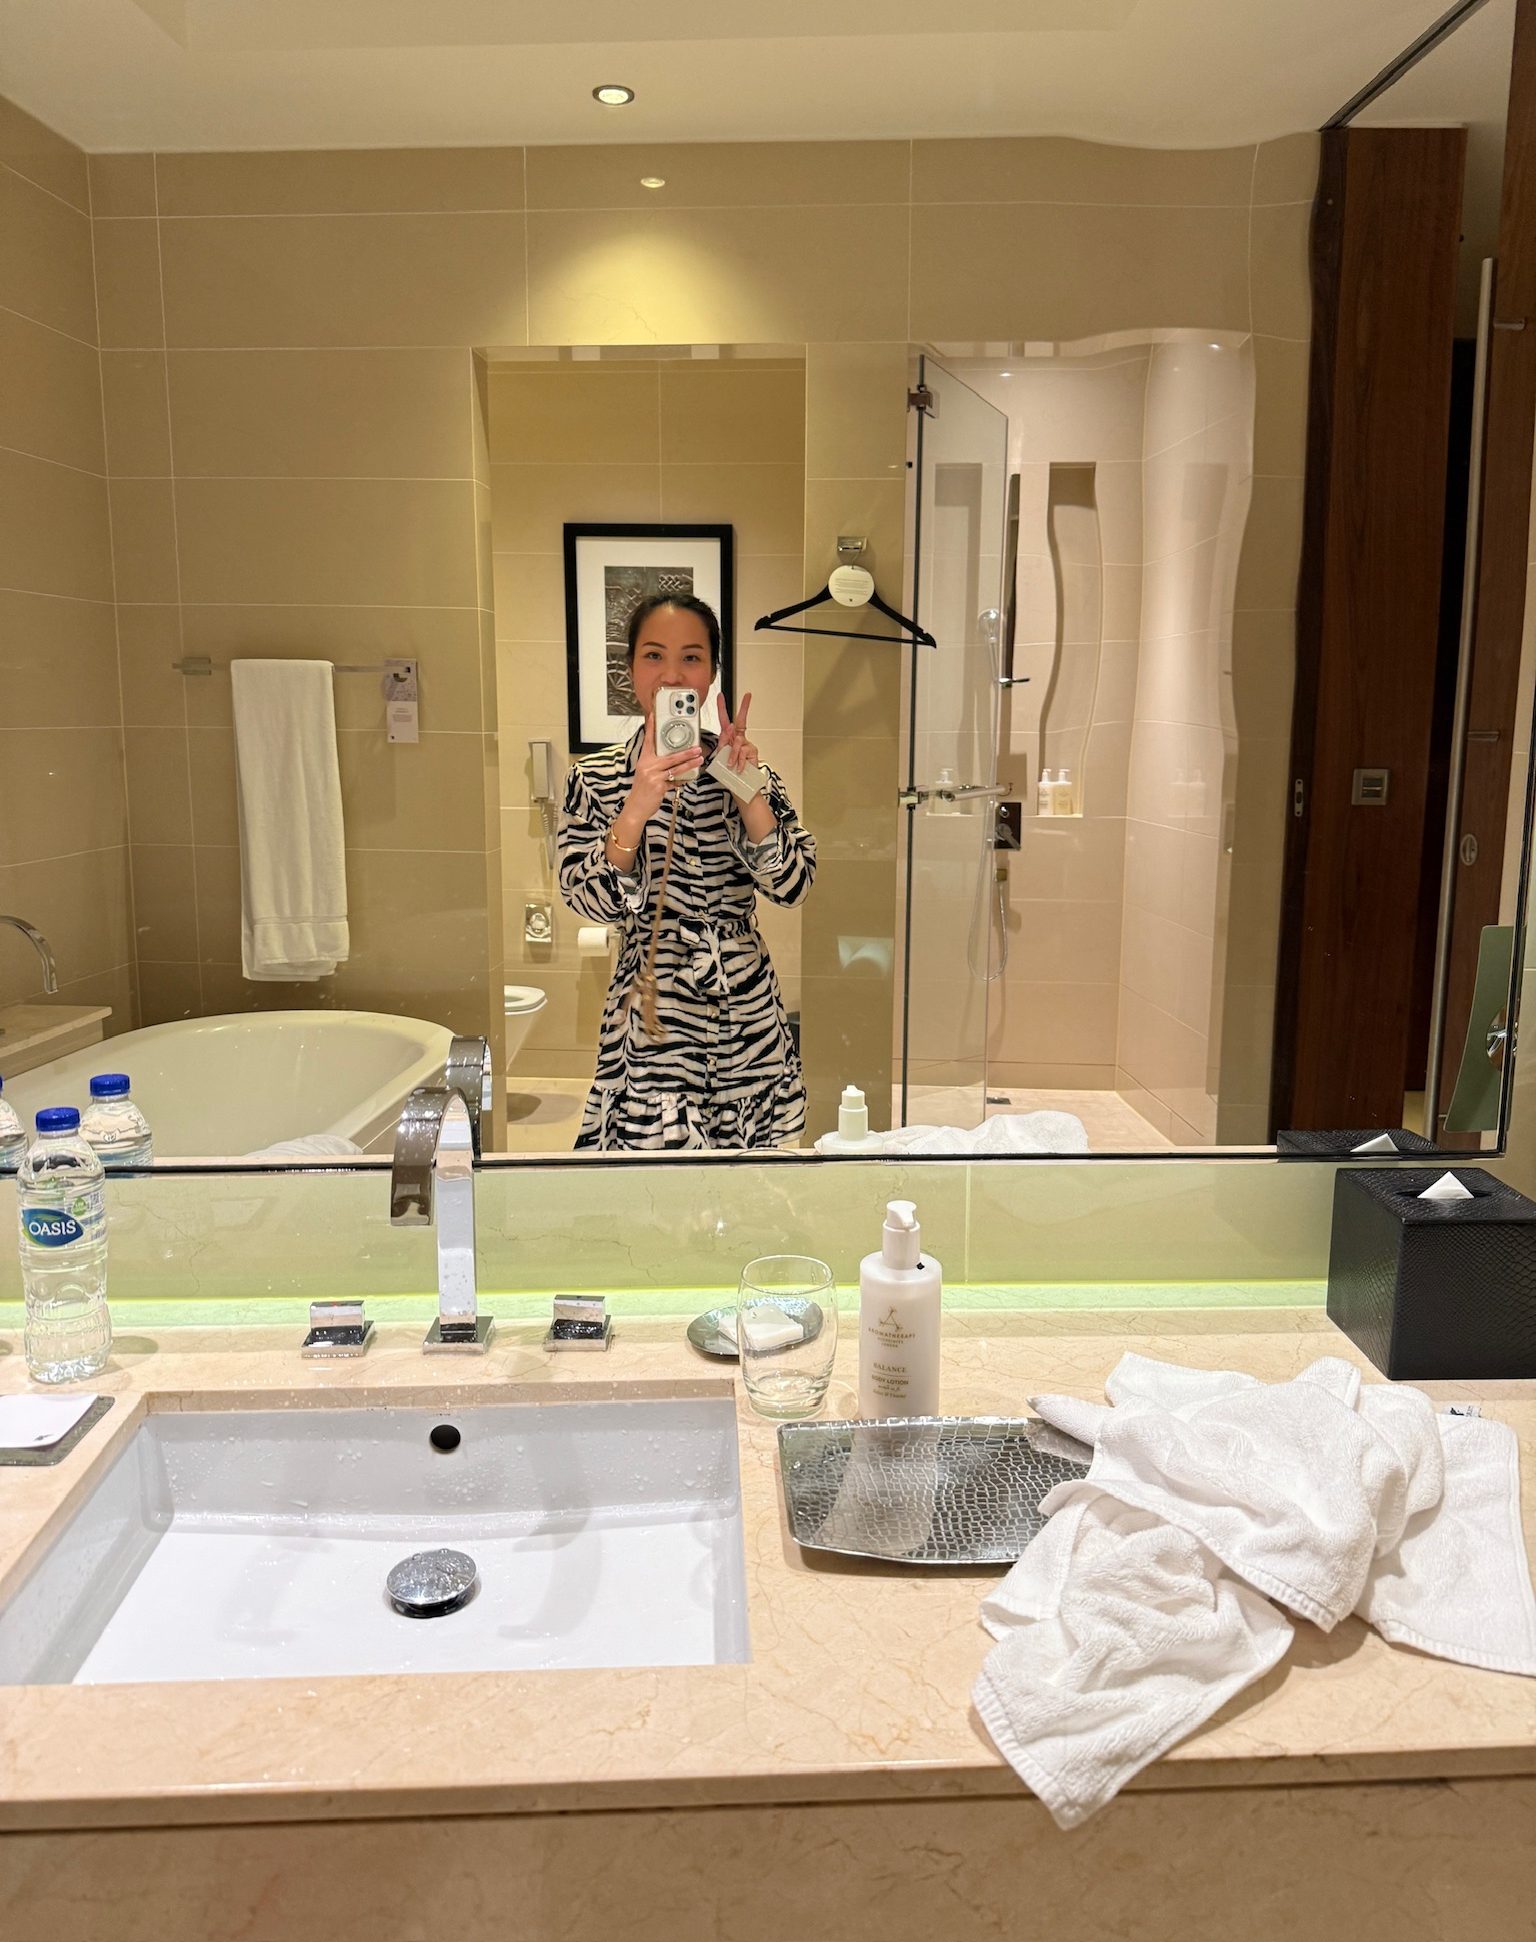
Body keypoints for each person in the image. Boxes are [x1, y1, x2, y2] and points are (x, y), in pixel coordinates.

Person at [558, 593, 816, 1150]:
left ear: (712, 673)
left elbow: (794, 886)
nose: (672, 674)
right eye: (654, 655)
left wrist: (746, 792)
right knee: (656, 1178)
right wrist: (636, 806)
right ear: (631, 668)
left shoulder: (746, 771)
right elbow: (585, 900)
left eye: (692, 658)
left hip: (747, 1015)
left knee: (750, 1184)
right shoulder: (596, 778)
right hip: (654, 1017)